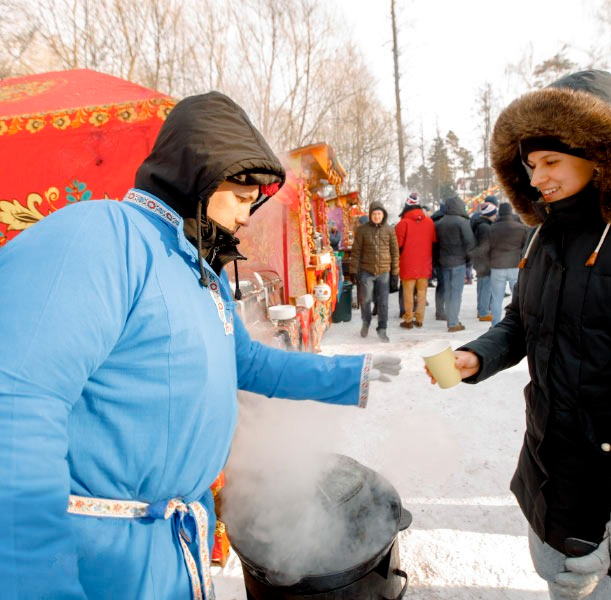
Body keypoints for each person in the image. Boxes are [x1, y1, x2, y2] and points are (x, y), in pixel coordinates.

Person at [0, 91, 402, 600]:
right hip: (97, 560)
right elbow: (16, 403)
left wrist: (353, 374)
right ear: (198, 177)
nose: (248, 214)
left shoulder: (195, 270)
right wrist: (38, 583)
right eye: (240, 194)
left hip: (170, 551)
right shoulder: (102, 238)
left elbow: (246, 363)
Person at [431, 70, 611, 599]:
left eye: (551, 162)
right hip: (549, 463)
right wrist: (476, 357)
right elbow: (520, 322)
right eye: (531, 164)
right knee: (558, 580)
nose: (537, 178)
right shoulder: (547, 235)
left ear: (599, 153)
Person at [350, 201, 399, 342]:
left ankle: (382, 328)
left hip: (384, 271)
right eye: (374, 214)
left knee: (383, 302)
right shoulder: (362, 230)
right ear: (370, 214)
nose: (377, 216)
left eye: (379, 214)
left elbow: (395, 252)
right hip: (367, 270)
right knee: (365, 299)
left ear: (383, 215)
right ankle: (366, 322)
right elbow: (356, 251)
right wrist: (353, 270)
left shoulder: (389, 230)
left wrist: (395, 273)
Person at [434, 193, 476, 332]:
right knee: (456, 293)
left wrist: (437, 260)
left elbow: (435, 244)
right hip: (459, 262)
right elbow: (470, 243)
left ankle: (449, 317)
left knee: (448, 292)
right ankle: (453, 322)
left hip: (444, 262)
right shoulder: (463, 222)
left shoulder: (439, 223)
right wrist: (468, 260)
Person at [395, 192, 437, 329]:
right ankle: (419, 319)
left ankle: (408, 320)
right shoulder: (430, 222)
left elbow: (398, 245)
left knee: (408, 293)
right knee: (422, 293)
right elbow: (433, 241)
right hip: (424, 264)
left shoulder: (403, 223)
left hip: (408, 264)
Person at [488, 202, 529, 327]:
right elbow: (525, 248)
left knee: (496, 298)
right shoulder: (521, 227)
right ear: (511, 212)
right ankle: (520, 323)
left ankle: (495, 324)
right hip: (515, 266)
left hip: (497, 266)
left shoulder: (492, 228)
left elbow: (488, 247)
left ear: (499, 212)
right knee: (518, 297)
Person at [470, 200, 498, 322]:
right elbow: (486, 245)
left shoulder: (479, 224)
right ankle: (484, 312)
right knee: (486, 287)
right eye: (494, 214)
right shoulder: (485, 227)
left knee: (482, 286)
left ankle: (481, 309)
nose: (496, 216)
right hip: (486, 261)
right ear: (490, 214)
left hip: (480, 260)